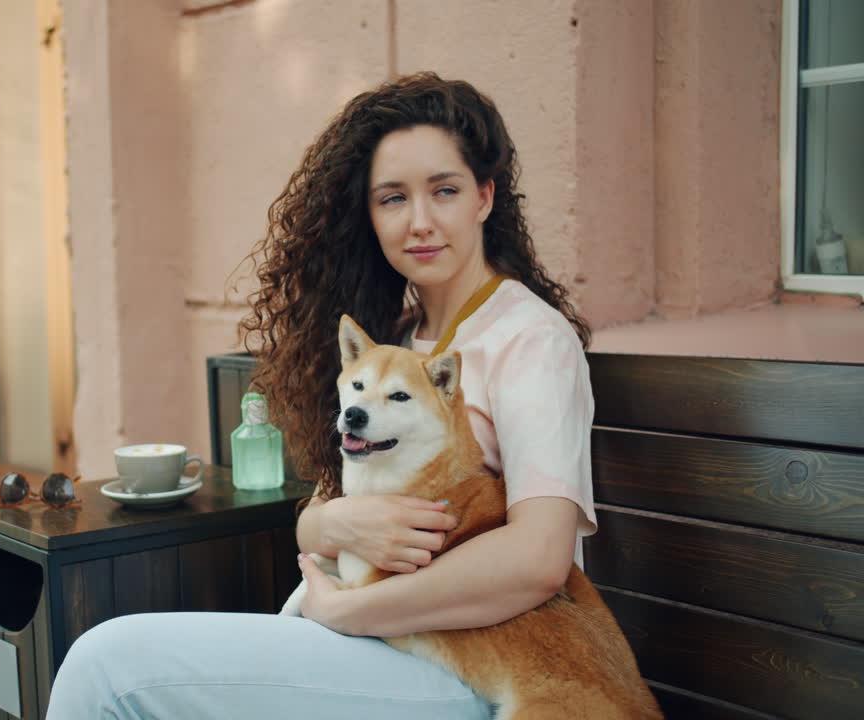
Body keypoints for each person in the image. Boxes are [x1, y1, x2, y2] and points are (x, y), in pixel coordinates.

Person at [44, 71, 596, 720]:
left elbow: (539, 560)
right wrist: (337, 523)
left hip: (483, 662)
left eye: (443, 190)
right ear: (366, 214)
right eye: (392, 198)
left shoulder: (529, 340)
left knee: (107, 667)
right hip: (381, 638)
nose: (419, 221)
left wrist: (350, 609)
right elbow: (318, 516)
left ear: (483, 196)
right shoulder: (394, 343)